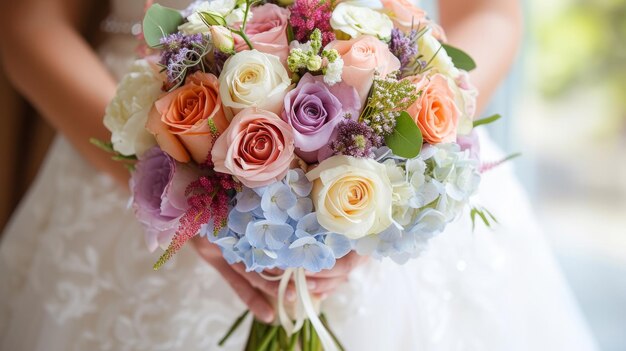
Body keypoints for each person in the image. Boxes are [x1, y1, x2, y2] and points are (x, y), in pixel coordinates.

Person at [0, 0, 598, 350]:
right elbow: (27, 23)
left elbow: (493, 12)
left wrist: (388, 190)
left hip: (396, 130)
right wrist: (179, 192)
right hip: (130, 151)